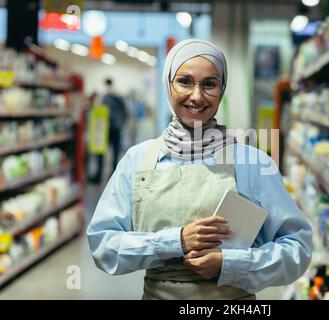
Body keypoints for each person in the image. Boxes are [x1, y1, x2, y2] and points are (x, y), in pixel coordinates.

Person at [87, 39, 312, 300]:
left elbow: (298, 247)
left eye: (209, 84)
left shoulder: (251, 162)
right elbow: (103, 245)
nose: (196, 96)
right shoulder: (138, 160)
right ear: (168, 84)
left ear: (222, 89)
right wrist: (176, 241)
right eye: (184, 81)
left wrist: (231, 265)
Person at [90, 78, 128, 183]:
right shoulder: (116, 96)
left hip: (107, 128)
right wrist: (121, 122)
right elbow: (125, 112)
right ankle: (111, 176)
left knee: (105, 152)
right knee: (113, 153)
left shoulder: (106, 97)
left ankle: (101, 176)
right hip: (113, 128)